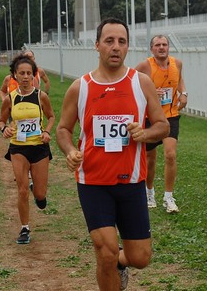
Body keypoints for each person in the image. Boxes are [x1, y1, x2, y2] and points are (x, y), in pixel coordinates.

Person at [56, 18, 169, 290]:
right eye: (109, 41)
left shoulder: (140, 83)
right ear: (97, 46)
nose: (115, 47)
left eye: (121, 41)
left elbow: (163, 126)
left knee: (140, 258)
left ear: (128, 46)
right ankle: (111, 264)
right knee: (104, 251)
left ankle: (121, 262)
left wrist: (145, 133)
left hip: (130, 183)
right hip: (93, 182)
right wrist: (70, 149)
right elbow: (62, 128)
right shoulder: (80, 87)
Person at [0, 53, 55, 245]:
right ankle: (24, 228)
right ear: (14, 75)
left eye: (28, 73)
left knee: (39, 194)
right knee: (22, 190)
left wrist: (47, 131)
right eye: (21, 73)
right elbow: (1, 121)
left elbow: (52, 117)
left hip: (39, 148)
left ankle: (39, 196)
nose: (24, 76)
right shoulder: (10, 99)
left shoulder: (41, 96)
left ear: (33, 75)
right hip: (18, 148)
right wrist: (4, 129)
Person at [134, 35, 188, 213]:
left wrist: (183, 93)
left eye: (164, 44)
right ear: (152, 49)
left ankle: (168, 197)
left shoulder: (177, 64)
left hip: (171, 115)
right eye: (157, 45)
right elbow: (131, 83)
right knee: (150, 160)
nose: (161, 47)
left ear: (169, 47)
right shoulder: (145, 66)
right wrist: (147, 95)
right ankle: (149, 193)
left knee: (170, 155)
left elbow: (178, 79)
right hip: (151, 118)